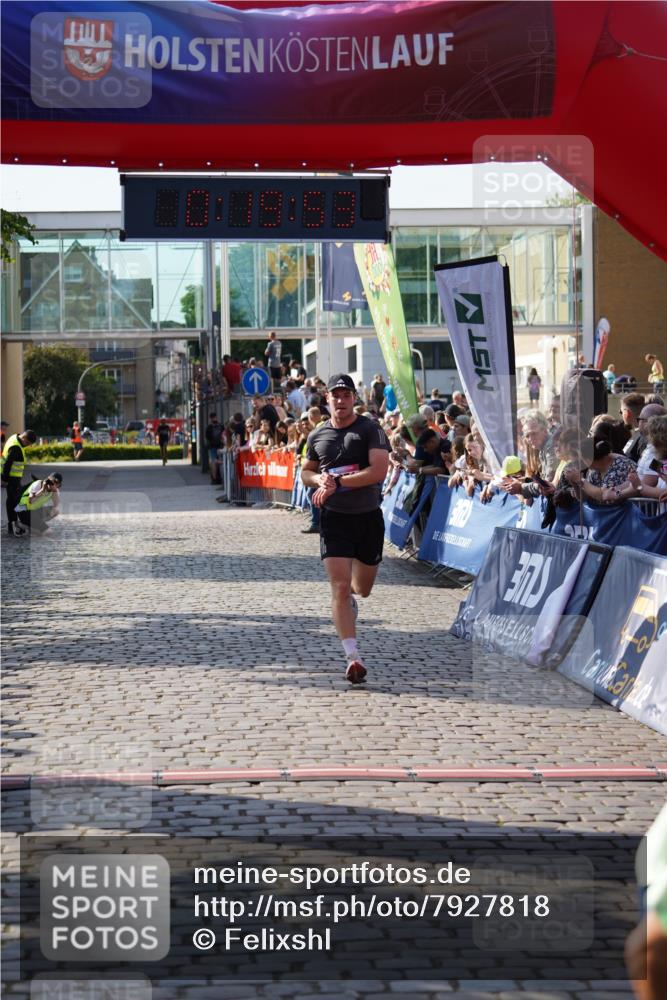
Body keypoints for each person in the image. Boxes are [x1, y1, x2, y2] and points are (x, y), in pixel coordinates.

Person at [301, 373, 390, 685]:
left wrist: (337, 482)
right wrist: (319, 481)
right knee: (338, 586)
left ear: (354, 398)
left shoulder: (369, 429)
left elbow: (378, 470)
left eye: (346, 395)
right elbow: (306, 471)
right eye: (335, 395)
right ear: (326, 399)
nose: (340, 401)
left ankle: (352, 600)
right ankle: (352, 657)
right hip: (334, 518)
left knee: (361, 589)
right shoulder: (317, 435)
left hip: (367, 517)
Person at [2, 428, 38, 537]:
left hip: (13, 479)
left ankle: (12, 526)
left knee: (11, 502)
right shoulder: (16, 448)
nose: (28, 446)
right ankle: (30, 524)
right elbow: (8, 463)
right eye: (28, 443)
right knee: (19, 502)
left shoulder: (14, 437)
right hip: (12, 479)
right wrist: (4, 479)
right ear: (24, 438)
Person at [204, 413, 223, 483]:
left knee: (213, 461)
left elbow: (207, 437)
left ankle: (214, 478)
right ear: (216, 417)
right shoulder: (221, 426)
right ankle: (219, 477)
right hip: (220, 446)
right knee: (220, 461)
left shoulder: (209, 427)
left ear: (210, 418)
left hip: (212, 447)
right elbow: (223, 436)